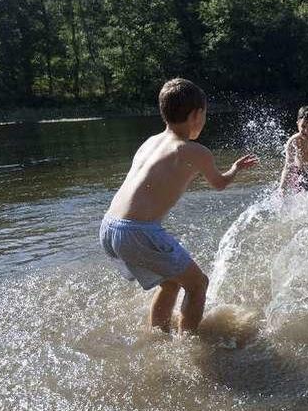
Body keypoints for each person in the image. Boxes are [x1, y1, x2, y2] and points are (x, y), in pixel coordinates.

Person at [100, 78, 258, 332]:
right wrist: (234, 169)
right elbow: (219, 183)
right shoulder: (194, 150)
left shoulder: (149, 142)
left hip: (109, 227)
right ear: (197, 115)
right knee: (198, 285)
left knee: (171, 283)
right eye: (204, 114)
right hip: (138, 231)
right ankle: (189, 347)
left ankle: (158, 337)